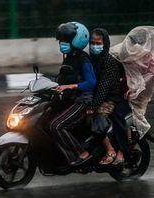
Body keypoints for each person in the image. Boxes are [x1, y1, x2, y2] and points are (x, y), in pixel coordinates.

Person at [49, 22, 97, 166]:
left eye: (66, 40)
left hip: (82, 101)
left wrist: (71, 86)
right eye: (61, 40)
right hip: (70, 99)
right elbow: (62, 78)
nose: (62, 43)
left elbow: (91, 82)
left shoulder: (83, 59)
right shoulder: (68, 57)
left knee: (56, 125)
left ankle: (81, 153)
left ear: (76, 41)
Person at [84, 28, 131, 165]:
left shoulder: (109, 62)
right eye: (92, 43)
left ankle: (110, 149)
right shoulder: (91, 60)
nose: (94, 46)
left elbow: (103, 88)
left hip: (111, 98)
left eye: (98, 43)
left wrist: (93, 107)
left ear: (105, 44)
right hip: (94, 96)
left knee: (96, 117)